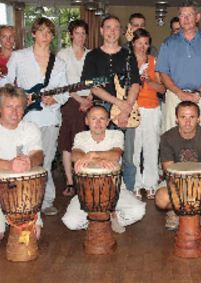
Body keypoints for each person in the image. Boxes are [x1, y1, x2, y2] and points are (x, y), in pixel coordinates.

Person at [0, 17, 69, 216]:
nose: (45, 35)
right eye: (41, 31)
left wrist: (54, 100)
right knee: (21, 159)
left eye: (49, 32)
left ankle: (45, 201)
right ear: (33, 34)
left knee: (44, 160)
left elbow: (64, 92)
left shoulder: (59, 63)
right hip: (24, 118)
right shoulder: (19, 56)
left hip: (49, 118)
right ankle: (21, 198)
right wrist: (20, 98)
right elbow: (4, 82)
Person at [0, 84, 44, 249]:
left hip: (22, 195)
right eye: (9, 107)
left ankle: (8, 222)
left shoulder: (31, 128)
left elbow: (39, 154)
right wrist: (10, 164)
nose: (15, 112)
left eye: (19, 107)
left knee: (32, 238)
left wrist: (30, 161)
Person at [61, 106, 146, 233]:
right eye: (94, 118)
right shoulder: (81, 136)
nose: (98, 122)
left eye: (102, 119)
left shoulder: (116, 134)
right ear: (86, 121)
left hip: (116, 191)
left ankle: (110, 219)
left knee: (138, 211)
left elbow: (115, 155)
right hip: (86, 194)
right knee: (70, 222)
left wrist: (91, 154)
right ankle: (102, 220)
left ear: (108, 122)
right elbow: (75, 156)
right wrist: (99, 160)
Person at [81, 15, 141, 193]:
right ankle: (101, 192)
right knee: (100, 153)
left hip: (127, 110)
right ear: (101, 31)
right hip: (101, 110)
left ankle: (127, 193)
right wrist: (117, 103)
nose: (112, 31)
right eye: (108, 27)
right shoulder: (92, 56)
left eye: (116, 28)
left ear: (121, 31)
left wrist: (125, 109)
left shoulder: (128, 55)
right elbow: (92, 86)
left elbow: (135, 83)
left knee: (127, 155)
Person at [155, 101, 201, 230]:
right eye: (183, 117)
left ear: (198, 119)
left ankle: (199, 210)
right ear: (176, 119)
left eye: (192, 117)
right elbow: (168, 171)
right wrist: (187, 190)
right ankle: (180, 210)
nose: (187, 122)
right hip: (176, 182)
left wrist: (195, 189)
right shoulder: (167, 137)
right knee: (161, 199)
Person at [156, 0, 201, 133]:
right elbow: (163, 73)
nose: (185, 19)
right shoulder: (168, 43)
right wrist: (179, 93)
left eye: (189, 15)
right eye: (182, 15)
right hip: (175, 95)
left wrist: (198, 93)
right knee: (172, 138)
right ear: (178, 18)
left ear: (197, 17)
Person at [57, 20, 92, 197]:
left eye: (83, 33)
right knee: (68, 143)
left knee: (86, 141)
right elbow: (62, 82)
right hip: (70, 101)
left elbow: (96, 80)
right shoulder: (63, 54)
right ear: (71, 34)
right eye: (77, 33)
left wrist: (90, 98)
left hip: (90, 101)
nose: (80, 37)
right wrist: (80, 100)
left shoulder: (91, 55)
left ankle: (84, 179)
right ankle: (70, 181)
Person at [131, 28, 165, 199]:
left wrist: (149, 80)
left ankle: (151, 183)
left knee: (152, 147)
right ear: (133, 44)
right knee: (135, 149)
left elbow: (162, 88)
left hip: (152, 109)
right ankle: (136, 183)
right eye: (139, 43)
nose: (142, 46)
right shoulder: (127, 61)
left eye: (145, 43)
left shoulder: (154, 62)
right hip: (133, 109)